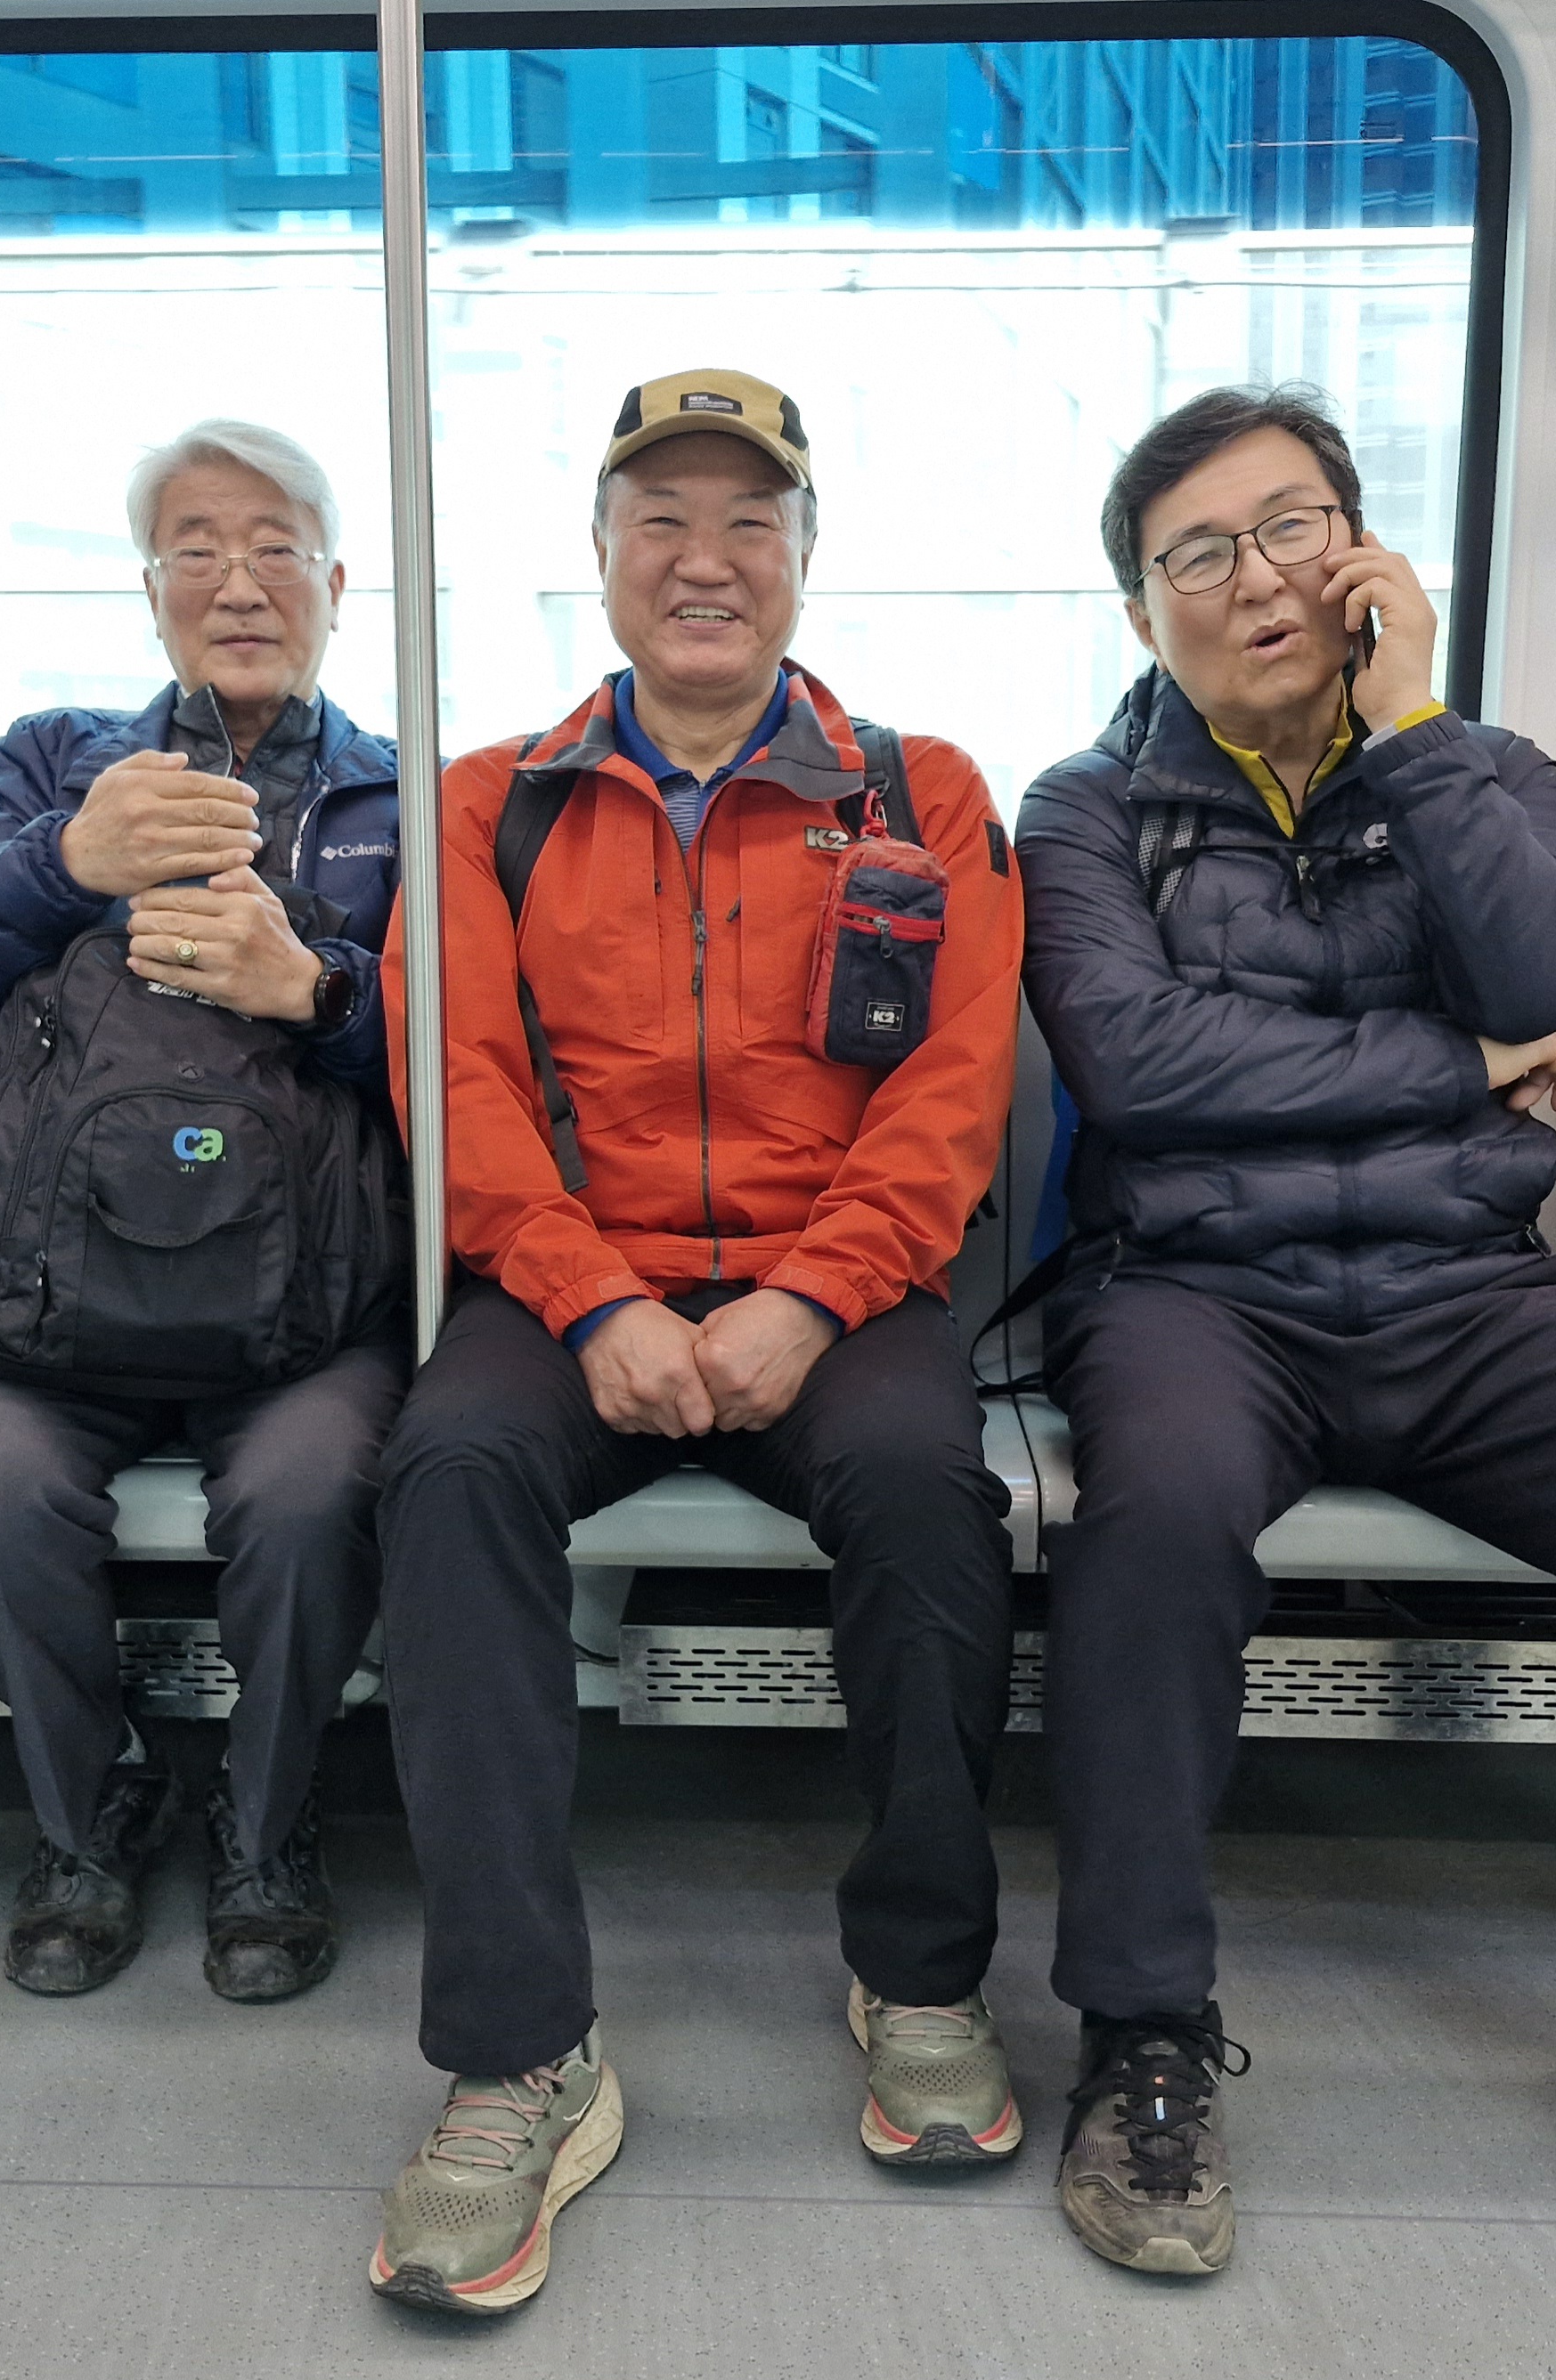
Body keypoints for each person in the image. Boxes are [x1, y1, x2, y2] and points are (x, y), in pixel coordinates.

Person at [1016, 385, 1556, 2286]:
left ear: (1364, 553)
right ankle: (1140, 2032)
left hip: (1468, 1291)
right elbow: (1139, 1069)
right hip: (1195, 1294)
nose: (1257, 578)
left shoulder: (1486, 772)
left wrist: (1409, 731)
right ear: (1141, 608)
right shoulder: (1082, 809)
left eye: (1292, 527)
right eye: (1198, 553)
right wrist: (1457, 1064)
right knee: (1152, 1524)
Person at [361, 370, 1026, 2316]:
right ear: (599, 554)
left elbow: (952, 1093)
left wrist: (814, 1294)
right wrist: (591, 1297)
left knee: (929, 1489)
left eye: (750, 520)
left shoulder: (921, 793)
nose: (704, 558)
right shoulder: (487, 804)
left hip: (841, 1285)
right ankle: (522, 2053)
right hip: (576, 1281)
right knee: (447, 1473)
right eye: (660, 518)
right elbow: (458, 1086)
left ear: (808, 557)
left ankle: (918, 1975)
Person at [0, 420, 403, 2006]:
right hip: (51, 1284)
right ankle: (93, 1795)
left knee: (313, 1496)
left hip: (309, 1297)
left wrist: (318, 989)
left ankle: (269, 1809)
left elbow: (482, 1054)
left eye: (274, 549)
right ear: (151, 588)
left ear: (336, 584)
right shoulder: (56, 758)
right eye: (196, 549)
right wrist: (68, 862)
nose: (237, 583)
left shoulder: (410, 795)